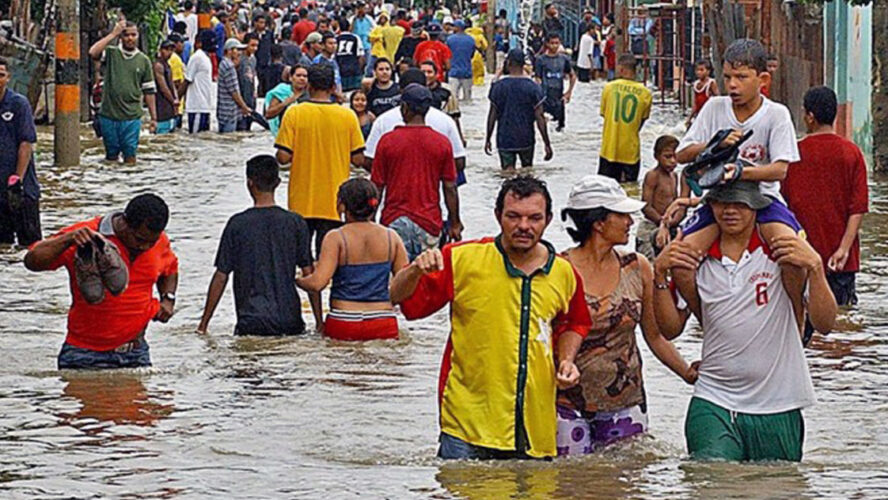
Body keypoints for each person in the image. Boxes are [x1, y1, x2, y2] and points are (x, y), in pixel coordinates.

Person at [390, 176, 592, 459]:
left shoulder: (563, 272)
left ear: (547, 220)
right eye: (514, 216)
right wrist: (413, 270)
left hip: (534, 427)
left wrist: (567, 360)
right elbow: (401, 300)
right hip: (466, 425)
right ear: (498, 216)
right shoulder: (461, 258)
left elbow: (575, 322)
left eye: (534, 218)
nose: (524, 226)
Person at [653, 181, 837, 462]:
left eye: (740, 204)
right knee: (709, 476)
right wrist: (659, 274)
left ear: (756, 207)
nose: (729, 211)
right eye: (721, 203)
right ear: (710, 206)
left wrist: (816, 267)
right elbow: (669, 329)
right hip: (713, 397)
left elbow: (825, 324)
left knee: (777, 486)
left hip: (779, 402)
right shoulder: (694, 260)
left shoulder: (781, 256)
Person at [556, 175, 696, 455]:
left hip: (626, 402)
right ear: (598, 222)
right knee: (569, 486)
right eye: (622, 216)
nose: (631, 222)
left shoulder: (637, 266)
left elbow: (655, 336)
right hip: (565, 404)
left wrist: (687, 373)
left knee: (626, 486)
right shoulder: (559, 269)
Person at [673, 39, 803, 316]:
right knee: (680, 260)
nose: (733, 85)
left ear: (762, 79)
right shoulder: (714, 108)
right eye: (728, 77)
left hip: (764, 199)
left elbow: (780, 170)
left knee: (793, 255)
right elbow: (681, 154)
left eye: (742, 77)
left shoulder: (777, 114)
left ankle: (797, 314)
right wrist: (714, 144)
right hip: (718, 199)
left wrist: (743, 172)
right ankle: (703, 317)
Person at [24, 194, 179, 369]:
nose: (145, 247)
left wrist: (168, 299)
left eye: (152, 242)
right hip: (84, 355)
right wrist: (68, 239)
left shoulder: (159, 240)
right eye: (140, 240)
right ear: (124, 223)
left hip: (136, 353)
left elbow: (170, 268)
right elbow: (32, 261)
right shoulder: (87, 236)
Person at [197, 155, 321, 336]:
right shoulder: (295, 223)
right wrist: (319, 322)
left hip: (251, 321)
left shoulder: (237, 224)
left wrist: (203, 324)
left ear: (249, 183)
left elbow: (221, 276)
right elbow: (309, 274)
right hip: (290, 321)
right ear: (278, 183)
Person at [782, 86, 869, 343]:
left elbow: (782, 208)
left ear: (809, 116)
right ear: (835, 115)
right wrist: (843, 249)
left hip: (801, 258)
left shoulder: (793, 156)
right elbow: (858, 208)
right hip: (841, 261)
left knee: (800, 329)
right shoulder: (852, 153)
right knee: (839, 331)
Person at [296, 178, 409, 340]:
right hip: (382, 320)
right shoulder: (392, 237)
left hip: (344, 320)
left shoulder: (336, 238)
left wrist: (297, 280)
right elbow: (405, 283)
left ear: (342, 205)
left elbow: (317, 283)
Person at [274, 63, 365, 257]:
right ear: (333, 87)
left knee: (301, 260)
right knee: (329, 260)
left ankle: (308, 287)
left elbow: (283, 158)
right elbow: (358, 159)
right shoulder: (348, 116)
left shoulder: (294, 113)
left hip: (301, 201)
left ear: (308, 86)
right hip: (336, 202)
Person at [371, 84, 461, 260]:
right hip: (429, 223)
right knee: (428, 280)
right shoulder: (442, 143)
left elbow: (377, 187)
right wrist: (455, 222)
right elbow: (450, 187)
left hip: (393, 221)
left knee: (398, 281)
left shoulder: (387, 142)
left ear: (404, 108)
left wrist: (370, 221)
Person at [363, 69, 467, 185]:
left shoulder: (383, 121)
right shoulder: (445, 121)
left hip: (393, 195)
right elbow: (459, 162)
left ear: (399, 91)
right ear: (426, 88)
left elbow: (368, 160)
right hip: (436, 196)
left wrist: (396, 173)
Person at [89, 19, 158, 163]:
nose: (130, 38)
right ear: (121, 37)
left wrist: (153, 118)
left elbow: (149, 91)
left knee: (130, 155)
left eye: (133, 35)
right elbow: (93, 52)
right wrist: (113, 34)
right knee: (111, 156)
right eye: (126, 35)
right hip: (109, 115)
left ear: (138, 36)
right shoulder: (111, 54)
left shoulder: (143, 61)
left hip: (131, 116)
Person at [485, 49, 552, 170]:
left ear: (508, 63)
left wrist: (488, 138)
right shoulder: (533, 87)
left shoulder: (498, 87)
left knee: (507, 175)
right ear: (523, 64)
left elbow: (492, 115)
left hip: (505, 139)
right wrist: (547, 143)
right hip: (526, 139)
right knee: (527, 174)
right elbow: (540, 117)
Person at [0, 57, 41, 246]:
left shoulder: (18, 104)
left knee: (30, 244)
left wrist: (17, 178)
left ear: (8, 77)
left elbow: (26, 143)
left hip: (22, 187)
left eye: (1, 75)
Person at [598, 54, 652, 182]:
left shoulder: (609, 88)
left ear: (621, 69)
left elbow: (605, 115)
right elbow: (641, 122)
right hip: (630, 153)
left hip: (609, 150)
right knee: (630, 192)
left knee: (605, 191)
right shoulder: (645, 93)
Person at [637, 135, 679, 260]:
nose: (672, 161)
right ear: (656, 156)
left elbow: (675, 203)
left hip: (667, 225)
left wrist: (671, 222)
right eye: (667, 156)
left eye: (675, 157)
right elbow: (646, 206)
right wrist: (662, 222)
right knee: (648, 262)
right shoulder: (653, 176)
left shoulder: (674, 176)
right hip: (650, 226)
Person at [533, 33, 575, 132]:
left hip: (559, 99)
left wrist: (569, 92)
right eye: (552, 43)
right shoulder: (541, 60)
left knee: (560, 129)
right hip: (544, 99)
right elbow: (537, 79)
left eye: (557, 43)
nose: (554, 46)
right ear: (547, 44)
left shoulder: (564, 59)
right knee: (543, 128)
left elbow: (572, 76)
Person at [421, 60, 463, 141]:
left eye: (429, 72)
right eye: (423, 72)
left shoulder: (447, 90)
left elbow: (454, 116)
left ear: (436, 74)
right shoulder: (413, 91)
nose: (426, 75)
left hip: (441, 132)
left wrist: (459, 138)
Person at [217, 38, 253, 133]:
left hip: (223, 112)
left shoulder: (223, 63)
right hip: (230, 113)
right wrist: (244, 107)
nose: (240, 53)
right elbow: (234, 92)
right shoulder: (229, 67)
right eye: (237, 50)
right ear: (229, 51)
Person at [264, 64, 310, 137]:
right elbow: (268, 114)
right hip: (285, 135)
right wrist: (285, 103)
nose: (302, 78)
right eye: (298, 75)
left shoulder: (311, 94)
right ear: (291, 78)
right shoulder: (282, 92)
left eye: (305, 76)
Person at [184, 30, 215, 134]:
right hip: (197, 106)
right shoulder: (197, 57)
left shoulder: (204, 58)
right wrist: (176, 100)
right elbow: (187, 80)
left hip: (204, 106)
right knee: (195, 138)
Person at [152, 40, 179, 135]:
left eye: (171, 50)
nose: (169, 52)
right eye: (167, 49)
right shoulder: (158, 66)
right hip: (161, 109)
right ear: (160, 50)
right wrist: (173, 101)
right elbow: (163, 88)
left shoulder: (168, 66)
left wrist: (176, 100)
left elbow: (172, 85)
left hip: (169, 110)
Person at [445, 20, 475, 101]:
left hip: (453, 72)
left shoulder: (449, 40)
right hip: (467, 72)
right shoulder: (471, 40)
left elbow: (447, 56)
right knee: (467, 100)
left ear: (457, 28)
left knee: (453, 100)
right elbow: (472, 55)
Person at [236, 33, 259, 131]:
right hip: (240, 102)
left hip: (251, 100)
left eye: (256, 46)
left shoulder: (253, 60)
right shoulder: (239, 60)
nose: (255, 48)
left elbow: (253, 78)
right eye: (252, 45)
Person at [687, 59, 718, 127]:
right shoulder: (696, 84)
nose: (699, 72)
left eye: (701, 70)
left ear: (708, 71)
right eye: (697, 70)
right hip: (699, 115)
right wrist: (689, 118)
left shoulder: (711, 83)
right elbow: (695, 104)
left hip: (709, 115)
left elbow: (717, 99)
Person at [336, 19, 366, 92]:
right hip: (354, 70)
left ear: (339, 27)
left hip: (341, 70)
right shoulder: (355, 38)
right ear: (349, 27)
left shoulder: (336, 39)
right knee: (355, 92)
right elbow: (361, 56)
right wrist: (360, 69)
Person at [313, 31, 344, 99]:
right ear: (323, 45)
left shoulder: (333, 60)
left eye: (335, 43)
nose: (333, 46)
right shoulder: (318, 61)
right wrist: (338, 95)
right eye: (330, 43)